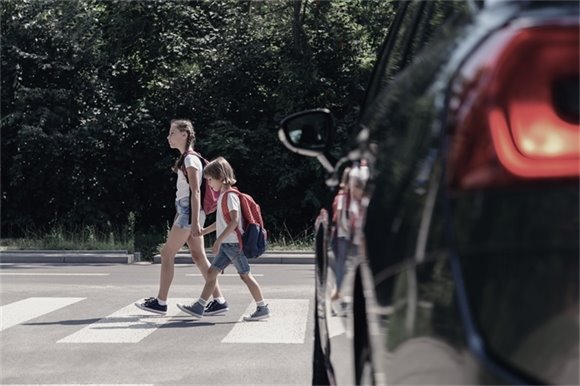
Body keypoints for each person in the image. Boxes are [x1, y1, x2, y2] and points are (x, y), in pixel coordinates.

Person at [135, 119, 228, 316]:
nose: (168, 137)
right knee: (198, 256)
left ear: (184, 134)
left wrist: (193, 221)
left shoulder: (190, 159)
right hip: (188, 211)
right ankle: (219, 300)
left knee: (166, 254)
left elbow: (195, 192)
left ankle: (160, 302)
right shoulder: (187, 159)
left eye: (172, 133)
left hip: (189, 212)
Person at [177, 156, 271, 321]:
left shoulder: (230, 196)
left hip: (234, 244)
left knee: (245, 275)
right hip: (228, 245)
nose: (209, 184)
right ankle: (199, 306)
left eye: (210, 179)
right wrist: (205, 231)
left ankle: (262, 307)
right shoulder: (223, 196)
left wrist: (219, 240)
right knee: (212, 273)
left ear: (221, 177)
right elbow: (222, 222)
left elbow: (234, 221)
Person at [330, 167, 352, 302]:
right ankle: (337, 294)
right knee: (342, 267)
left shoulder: (344, 197)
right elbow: (340, 218)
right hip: (344, 236)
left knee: (342, 266)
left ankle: (338, 294)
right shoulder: (344, 198)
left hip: (343, 236)